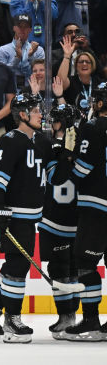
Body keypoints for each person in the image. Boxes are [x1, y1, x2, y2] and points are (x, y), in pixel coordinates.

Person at [0, 93, 49, 343]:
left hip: (28, 218)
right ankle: (11, 321)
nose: (40, 113)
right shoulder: (11, 141)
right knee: (17, 267)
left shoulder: (38, 141)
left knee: (13, 266)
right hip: (15, 216)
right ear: (23, 115)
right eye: (35, 110)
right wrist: (0, 211)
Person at [57, 84, 107, 340]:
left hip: (96, 206)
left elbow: (82, 169)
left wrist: (70, 163)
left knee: (86, 264)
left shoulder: (93, 127)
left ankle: (90, 321)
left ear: (99, 104)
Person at [41, 103, 82, 338]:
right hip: (77, 218)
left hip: (54, 219)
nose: (52, 125)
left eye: (55, 120)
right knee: (74, 269)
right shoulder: (84, 145)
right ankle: (73, 317)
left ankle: (67, 317)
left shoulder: (48, 146)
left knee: (60, 269)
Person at [0, 14, 46, 92]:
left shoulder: (39, 50)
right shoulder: (3, 50)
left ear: (30, 29)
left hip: (33, 91)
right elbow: (0, 75)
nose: (22, 29)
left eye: (26, 27)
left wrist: (30, 56)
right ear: (14, 28)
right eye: (19, 26)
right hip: (9, 93)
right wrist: (17, 58)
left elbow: (40, 75)